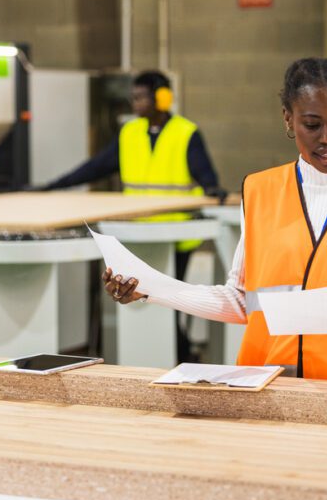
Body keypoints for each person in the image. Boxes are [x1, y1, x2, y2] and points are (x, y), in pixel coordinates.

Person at [103, 58, 327, 383]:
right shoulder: (260, 192)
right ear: (289, 119)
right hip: (271, 385)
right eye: (312, 125)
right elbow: (241, 299)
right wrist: (150, 289)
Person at [44, 70, 222, 362]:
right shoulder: (129, 133)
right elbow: (95, 167)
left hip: (174, 237)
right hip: (136, 237)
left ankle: (181, 359)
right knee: (147, 304)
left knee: (171, 303)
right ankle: (164, 360)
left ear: (162, 98)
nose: (135, 104)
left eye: (141, 97)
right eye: (134, 97)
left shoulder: (186, 132)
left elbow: (207, 176)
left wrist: (214, 188)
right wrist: (52, 186)